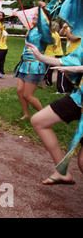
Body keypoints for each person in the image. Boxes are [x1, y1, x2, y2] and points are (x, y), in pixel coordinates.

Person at [27, 42, 83, 183]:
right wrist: (41, 57)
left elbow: (74, 65)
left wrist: (76, 69)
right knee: (39, 121)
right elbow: (70, 60)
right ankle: (61, 171)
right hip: (80, 97)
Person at [14, 2, 51, 121]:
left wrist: (43, 8)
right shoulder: (31, 29)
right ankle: (26, 115)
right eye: (34, 15)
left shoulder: (44, 31)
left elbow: (45, 25)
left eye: (37, 15)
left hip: (35, 65)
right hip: (24, 64)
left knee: (28, 95)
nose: (34, 17)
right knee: (20, 91)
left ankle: (46, 118)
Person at [58, 22, 81, 93]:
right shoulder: (69, 27)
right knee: (68, 71)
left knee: (65, 70)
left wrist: (68, 31)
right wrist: (63, 27)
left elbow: (74, 38)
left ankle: (64, 89)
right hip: (69, 52)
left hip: (76, 53)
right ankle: (70, 88)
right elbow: (60, 34)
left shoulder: (80, 28)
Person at [42, 22, 63, 89]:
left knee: (47, 70)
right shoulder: (55, 34)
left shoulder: (53, 35)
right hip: (52, 54)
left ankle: (44, 84)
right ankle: (48, 82)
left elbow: (54, 45)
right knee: (49, 70)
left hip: (50, 54)